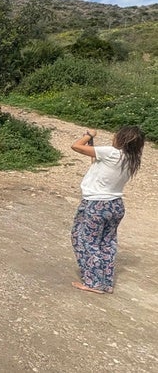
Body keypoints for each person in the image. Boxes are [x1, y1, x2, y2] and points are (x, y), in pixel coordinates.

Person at [70, 126, 145, 294]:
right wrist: (92, 142)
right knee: (107, 243)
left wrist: (89, 135)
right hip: (115, 205)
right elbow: (96, 164)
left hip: (96, 204)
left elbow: (76, 146)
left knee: (85, 241)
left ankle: (94, 282)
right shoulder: (131, 158)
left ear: (121, 138)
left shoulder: (111, 152)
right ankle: (106, 282)